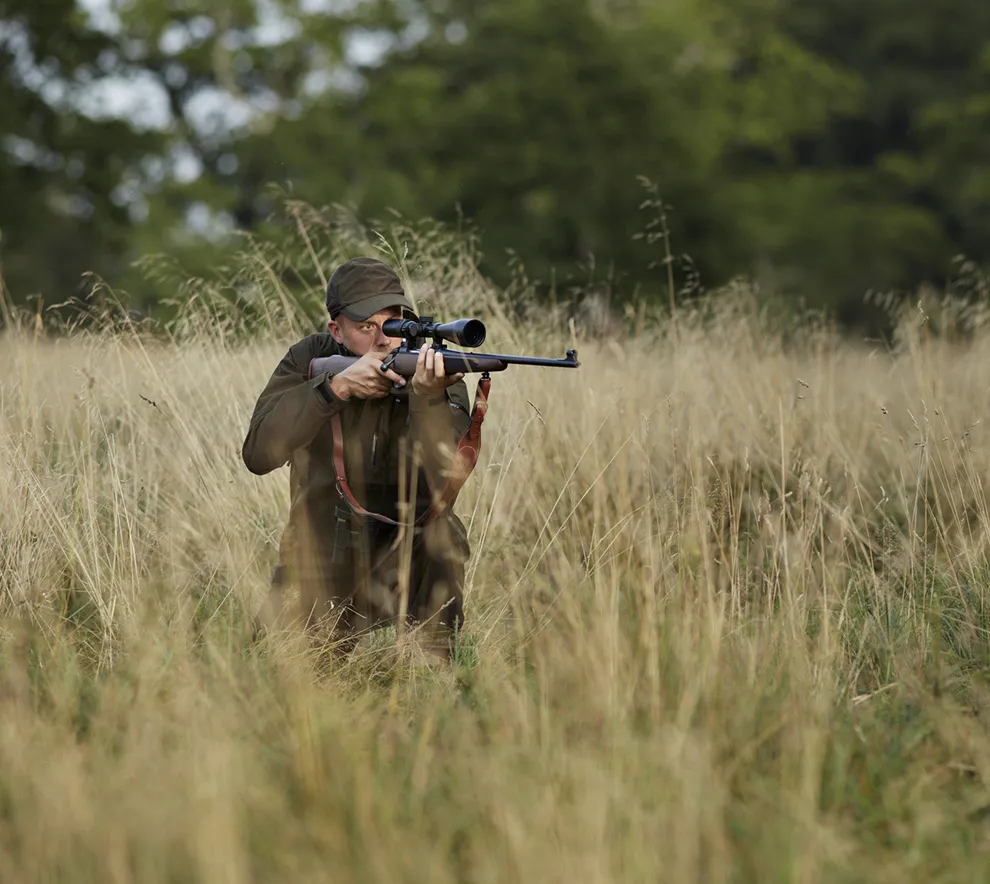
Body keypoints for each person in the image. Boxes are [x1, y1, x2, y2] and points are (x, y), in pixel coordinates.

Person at [241, 257, 476, 660]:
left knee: (445, 536)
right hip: (321, 548)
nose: (385, 339)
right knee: (273, 670)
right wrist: (333, 391)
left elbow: (444, 484)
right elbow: (259, 453)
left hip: (409, 550)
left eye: (395, 323)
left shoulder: (432, 370)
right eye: (367, 327)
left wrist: (427, 400)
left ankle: (433, 663)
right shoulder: (310, 358)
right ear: (337, 330)